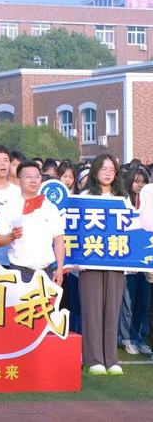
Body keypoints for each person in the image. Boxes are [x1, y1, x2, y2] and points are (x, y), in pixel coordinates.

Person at [79, 154, 127, 376]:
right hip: (90, 261)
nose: (108, 173)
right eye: (103, 168)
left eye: (112, 169)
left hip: (116, 261)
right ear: (95, 171)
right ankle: (94, 359)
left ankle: (111, 358)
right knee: (92, 309)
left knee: (112, 309)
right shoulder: (84, 196)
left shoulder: (123, 198)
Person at [0, 161, 65, 284]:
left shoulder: (50, 208)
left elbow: (59, 240)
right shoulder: (9, 208)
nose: (33, 181)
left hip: (47, 272)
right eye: (28, 177)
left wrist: (59, 269)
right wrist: (11, 236)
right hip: (20, 272)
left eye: (37, 177)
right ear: (19, 180)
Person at [118, 165, 152, 355]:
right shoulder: (124, 203)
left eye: (144, 182)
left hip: (147, 263)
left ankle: (140, 337)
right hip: (129, 263)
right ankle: (127, 338)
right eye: (136, 181)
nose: (140, 185)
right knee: (128, 303)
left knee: (143, 303)